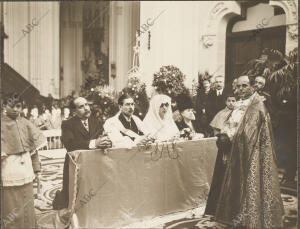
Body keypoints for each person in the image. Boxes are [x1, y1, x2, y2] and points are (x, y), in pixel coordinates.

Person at [214, 75, 284, 229]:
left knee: (250, 182)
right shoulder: (239, 103)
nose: (240, 90)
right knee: (236, 181)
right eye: (238, 86)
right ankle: (236, 215)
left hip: (254, 151)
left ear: (253, 86)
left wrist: (230, 135)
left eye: (244, 86)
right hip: (237, 148)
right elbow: (231, 122)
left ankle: (251, 217)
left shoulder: (256, 103)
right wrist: (224, 133)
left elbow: (249, 130)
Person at [52, 97, 112, 210]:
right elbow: (70, 144)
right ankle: (61, 197)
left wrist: (106, 141)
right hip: (76, 164)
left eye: (87, 105)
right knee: (69, 200)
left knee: (96, 191)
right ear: (74, 111)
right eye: (81, 106)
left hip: (95, 162)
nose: (86, 108)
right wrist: (94, 143)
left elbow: (102, 136)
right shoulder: (68, 124)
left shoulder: (96, 121)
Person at [1, 93, 47, 229]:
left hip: (26, 169)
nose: (16, 109)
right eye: (12, 106)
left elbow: (33, 150)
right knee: (11, 203)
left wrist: (37, 168)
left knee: (26, 201)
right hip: (8, 169)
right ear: (4, 106)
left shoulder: (26, 123)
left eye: (18, 106)